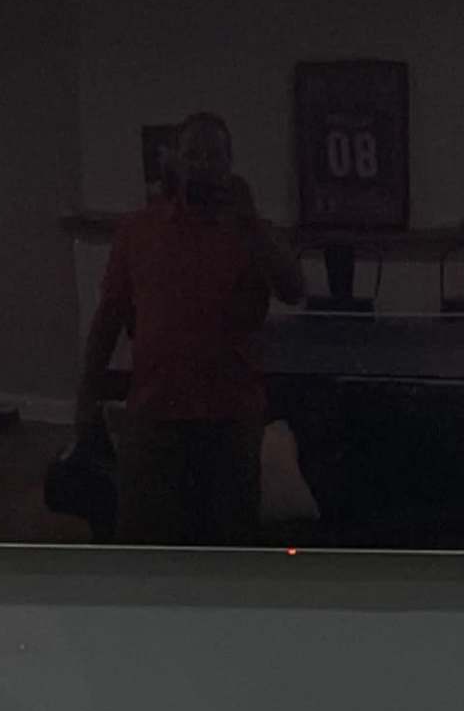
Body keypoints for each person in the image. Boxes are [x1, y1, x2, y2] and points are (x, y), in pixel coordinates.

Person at [72, 111, 307, 544]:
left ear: (230, 164)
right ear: (174, 162)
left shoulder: (253, 231)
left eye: (214, 154)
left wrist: (251, 223)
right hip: (153, 417)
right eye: (192, 153)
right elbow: (108, 318)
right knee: (143, 550)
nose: (202, 163)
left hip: (230, 421)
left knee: (228, 552)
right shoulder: (136, 230)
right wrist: (86, 397)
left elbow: (294, 289)